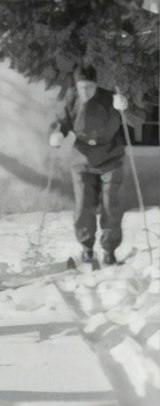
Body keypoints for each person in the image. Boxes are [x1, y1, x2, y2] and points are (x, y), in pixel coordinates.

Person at [50, 62, 128, 266]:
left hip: (111, 155)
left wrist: (125, 106)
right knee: (83, 204)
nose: (86, 91)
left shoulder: (110, 98)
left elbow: (135, 117)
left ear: (96, 85)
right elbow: (62, 121)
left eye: (90, 87)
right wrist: (57, 133)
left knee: (110, 204)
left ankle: (109, 249)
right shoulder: (71, 98)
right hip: (82, 157)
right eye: (82, 87)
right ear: (76, 86)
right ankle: (87, 247)